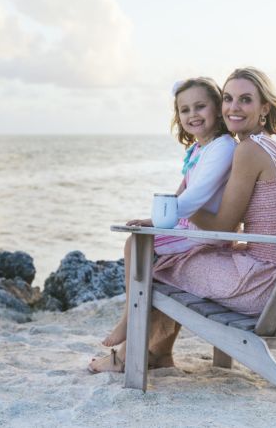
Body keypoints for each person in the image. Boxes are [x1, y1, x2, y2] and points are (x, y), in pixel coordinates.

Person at [89, 67, 276, 373]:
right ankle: (159, 353)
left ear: (264, 107)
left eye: (245, 100)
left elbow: (222, 227)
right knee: (170, 258)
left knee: (154, 266)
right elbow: (234, 222)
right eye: (228, 98)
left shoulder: (248, 150)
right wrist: (180, 208)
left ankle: (128, 355)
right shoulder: (268, 146)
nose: (233, 107)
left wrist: (181, 208)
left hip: (264, 284)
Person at [101, 77, 237, 348]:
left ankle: (130, 318)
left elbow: (195, 197)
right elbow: (181, 193)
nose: (192, 115)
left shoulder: (223, 146)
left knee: (135, 245)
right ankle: (153, 343)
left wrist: (159, 223)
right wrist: (155, 221)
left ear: (217, 108)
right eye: (185, 110)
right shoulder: (200, 148)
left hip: (205, 232)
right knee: (140, 241)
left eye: (200, 106)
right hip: (190, 229)